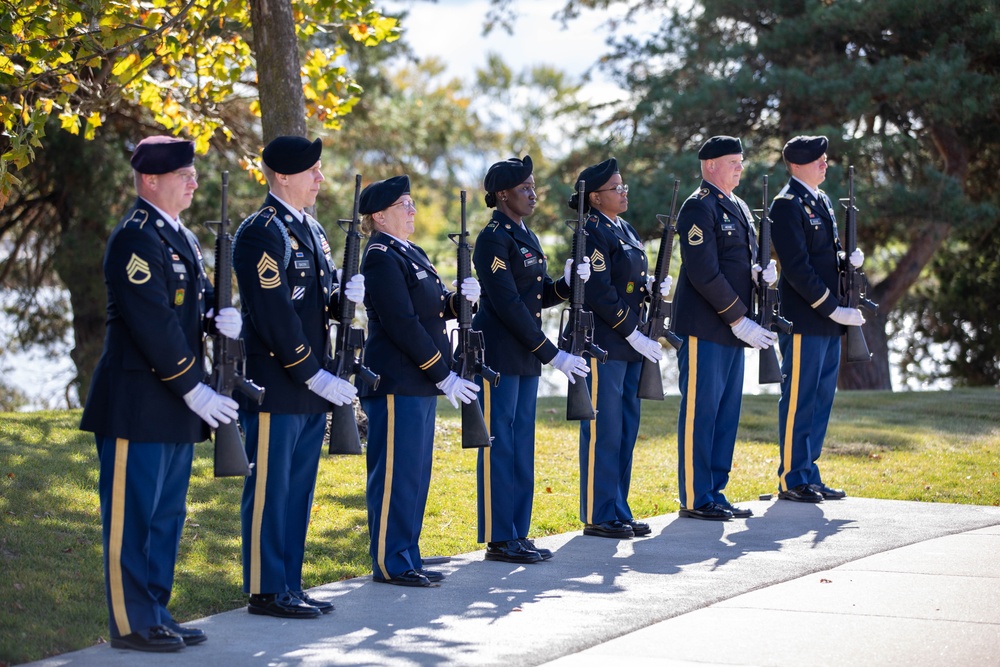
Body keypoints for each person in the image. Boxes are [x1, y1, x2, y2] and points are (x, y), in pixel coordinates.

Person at [81, 135, 242, 652]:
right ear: (150, 180)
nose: (193, 181)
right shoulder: (135, 237)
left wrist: (219, 314)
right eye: (182, 174)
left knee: (166, 516)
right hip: (137, 402)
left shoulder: (183, 237)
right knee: (134, 518)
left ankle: (156, 611)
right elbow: (151, 322)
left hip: (172, 401)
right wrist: (195, 388)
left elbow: (184, 309)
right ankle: (131, 622)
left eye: (192, 173)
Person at [232, 136, 365, 618]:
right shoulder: (261, 232)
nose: (320, 179)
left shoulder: (312, 231)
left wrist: (342, 298)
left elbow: (314, 303)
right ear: (283, 176)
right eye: (312, 171)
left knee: (298, 490)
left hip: (311, 385)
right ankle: (266, 590)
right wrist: (312, 374)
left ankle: (289, 581)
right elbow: (273, 315)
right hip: (277, 384)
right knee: (271, 489)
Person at [358, 175, 480, 587]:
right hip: (397, 379)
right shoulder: (379, 255)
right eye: (404, 204)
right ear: (379, 215)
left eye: (411, 203)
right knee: (395, 474)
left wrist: (458, 299)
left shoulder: (411, 252)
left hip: (419, 381)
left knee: (415, 473)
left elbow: (432, 308)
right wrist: (443, 374)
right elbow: (401, 324)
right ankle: (391, 561)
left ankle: (407, 553)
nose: (412, 210)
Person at [473, 155, 591, 563]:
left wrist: (565, 284)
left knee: (521, 444)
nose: (533, 194)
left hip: (524, 357)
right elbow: (507, 304)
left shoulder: (527, 235)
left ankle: (517, 533)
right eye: (525, 188)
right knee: (499, 444)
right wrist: (551, 352)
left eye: (533, 186)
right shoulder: (492, 238)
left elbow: (536, 295)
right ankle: (498, 535)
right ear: (502, 194)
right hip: (500, 355)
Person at [673, 136, 778, 521]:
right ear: (710, 165)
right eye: (732, 161)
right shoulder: (698, 208)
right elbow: (703, 271)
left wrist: (761, 276)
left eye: (741, 161)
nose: (739, 167)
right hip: (707, 326)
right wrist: (738, 318)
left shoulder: (738, 207)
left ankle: (715, 491)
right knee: (702, 411)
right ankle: (695, 496)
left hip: (736, 328)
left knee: (726, 412)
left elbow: (736, 262)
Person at [572, 157, 670, 539]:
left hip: (631, 343)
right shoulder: (590, 231)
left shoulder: (625, 228)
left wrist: (650, 289)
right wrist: (632, 332)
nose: (624, 192)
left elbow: (629, 281)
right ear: (595, 198)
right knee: (604, 429)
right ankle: (599, 513)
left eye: (624, 186)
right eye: (617, 188)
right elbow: (599, 290)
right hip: (605, 343)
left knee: (626, 428)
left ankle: (619, 507)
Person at [769, 135, 865, 503]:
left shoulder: (821, 199)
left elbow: (827, 256)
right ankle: (792, 477)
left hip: (827, 319)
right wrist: (831, 307)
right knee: (799, 398)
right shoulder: (787, 205)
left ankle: (809, 472)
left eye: (825, 158)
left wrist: (846, 262)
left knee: (822, 397)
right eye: (818, 159)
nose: (826, 163)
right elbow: (797, 269)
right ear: (797, 164)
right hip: (805, 319)